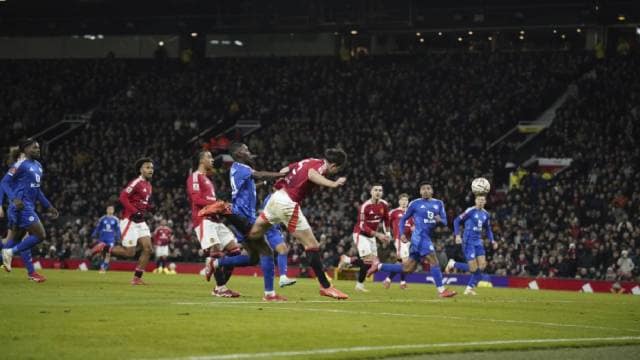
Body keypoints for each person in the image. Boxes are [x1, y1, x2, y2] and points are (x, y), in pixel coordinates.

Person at [246, 148, 350, 300]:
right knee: (312, 245)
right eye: (338, 169)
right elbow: (312, 174)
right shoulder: (321, 166)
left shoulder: (308, 160)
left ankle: (222, 260)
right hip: (288, 203)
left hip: (276, 197)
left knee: (252, 235)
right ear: (334, 166)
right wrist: (333, 184)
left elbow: (284, 170)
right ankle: (326, 287)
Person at [190, 150, 276, 300]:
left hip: (217, 219)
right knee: (218, 251)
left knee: (238, 253)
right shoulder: (196, 177)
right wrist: (217, 204)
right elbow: (196, 199)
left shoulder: (208, 179)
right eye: (209, 157)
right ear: (200, 161)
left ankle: (219, 284)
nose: (212, 159)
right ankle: (222, 286)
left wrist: (219, 205)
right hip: (205, 220)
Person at [368, 182, 457, 298]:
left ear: (432, 191)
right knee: (434, 261)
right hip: (419, 237)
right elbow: (403, 219)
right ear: (420, 192)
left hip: (425, 237)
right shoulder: (415, 204)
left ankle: (379, 266)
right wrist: (402, 234)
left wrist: (438, 218)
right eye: (423, 189)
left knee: (408, 268)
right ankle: (441, 290)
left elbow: (445, 221)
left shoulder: (438, 204)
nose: (425, 190)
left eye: (428, 188)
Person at [229, 142, 296, 289]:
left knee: (253, 258)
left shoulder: (235, 169)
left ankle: (217, 263)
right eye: (245, 150)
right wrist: (281, 174)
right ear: (239, 154)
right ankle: (270, 292)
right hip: (244, 216)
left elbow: (251, 185)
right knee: (267, 251)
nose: (249, 152)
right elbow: (258, 174)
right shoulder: (244, 168)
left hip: (239, 214)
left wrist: (264, 183)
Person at [1, 139, 59, 283]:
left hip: (27, 207)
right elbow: (4, 182)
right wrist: (13, 199)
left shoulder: (38, 166)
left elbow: (37, 190)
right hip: (20, 207)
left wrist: (49, 206)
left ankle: (24, 266)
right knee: (40, 234)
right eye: (34, 148)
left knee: (15, 240)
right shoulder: (21, 164)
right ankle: (11, 254)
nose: (38, 150)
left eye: (38, 147)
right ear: (25, 150)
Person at [95, 157, 154, 285]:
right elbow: (123, 197)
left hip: (140, 221)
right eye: (147, 167)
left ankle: (137, 278)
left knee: (148, 249)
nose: (150, 170)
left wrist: (150, 208)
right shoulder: (137, 182)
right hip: (129, 220)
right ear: (140, 170)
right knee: (130, 252)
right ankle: (105, 248)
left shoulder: (148, 185)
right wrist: (134, 211)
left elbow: (142, 202)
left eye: (151, 167)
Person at [338, 183, 390, 292]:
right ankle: (348, 261)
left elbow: (386, 220)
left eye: (380, 190)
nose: (378, 192)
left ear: (382, 193)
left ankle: (358, 284)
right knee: (370, 260)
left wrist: (388, 234)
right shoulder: (365, 206)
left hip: (371, 236)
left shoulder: (384, 205)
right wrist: (378, 234)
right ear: (371, 192)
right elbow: (362, 225)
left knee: (370, 263)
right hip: (360, 234)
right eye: (375, 190)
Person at [445, 194, 498, 295]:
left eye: (483, 200)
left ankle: (469, 288)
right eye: (479, 199)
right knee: (473, 268)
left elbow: (488, 229)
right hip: (468, 241)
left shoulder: (486, 214)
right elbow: (456, 221)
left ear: (485, 202)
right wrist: (457, 235)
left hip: (478, 242)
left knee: (482, 266)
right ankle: (453, 264)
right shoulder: (470, 211)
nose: (481, 201)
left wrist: (492, 241)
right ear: (475, 201)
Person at [383, 193, 413, 289]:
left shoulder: (411, 213)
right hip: (400, 239)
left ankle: (389, 280)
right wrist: (388, 233)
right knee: (405, 262)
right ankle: (402, 282)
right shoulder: (394, 212)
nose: (404, 202)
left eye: (406, 200)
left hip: (409, 240)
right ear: (399, 201)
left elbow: (413, 226)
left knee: (401, 262)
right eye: (402, 200)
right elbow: (385, 221)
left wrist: (413, 229)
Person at [90, 205, 121, 274]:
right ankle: (101, 264)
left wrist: (118, 237)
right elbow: (98, 227)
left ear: (113, 211)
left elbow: (118, 229)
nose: (110, 210)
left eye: (111, 209)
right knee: (101, 253)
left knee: (108, 253)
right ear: (106, 210)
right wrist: (94, 234)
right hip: (102, 238)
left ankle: (103, 267)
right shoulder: (102, 219)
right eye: (109, 209)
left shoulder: (116, 219)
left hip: (111, 239)